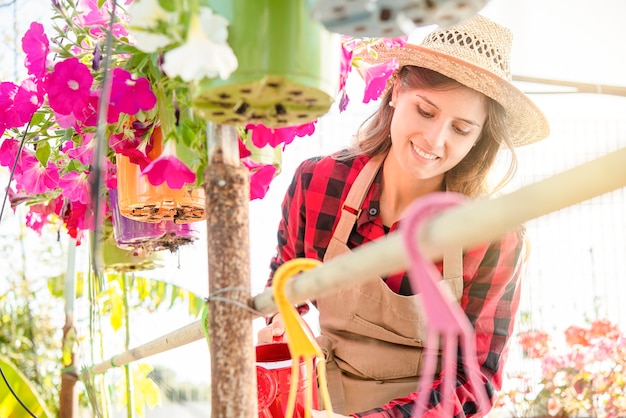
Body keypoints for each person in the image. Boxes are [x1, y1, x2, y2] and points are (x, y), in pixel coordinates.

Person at [257, 14, 550, 418]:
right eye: (426, 111)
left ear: (480, 137)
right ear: (395, 90)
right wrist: (279, 320)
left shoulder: (493, 235)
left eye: (461, 129)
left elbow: (476, 379)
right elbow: (286, 277)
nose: (435, 140)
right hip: (324, 400)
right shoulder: (319, 182)